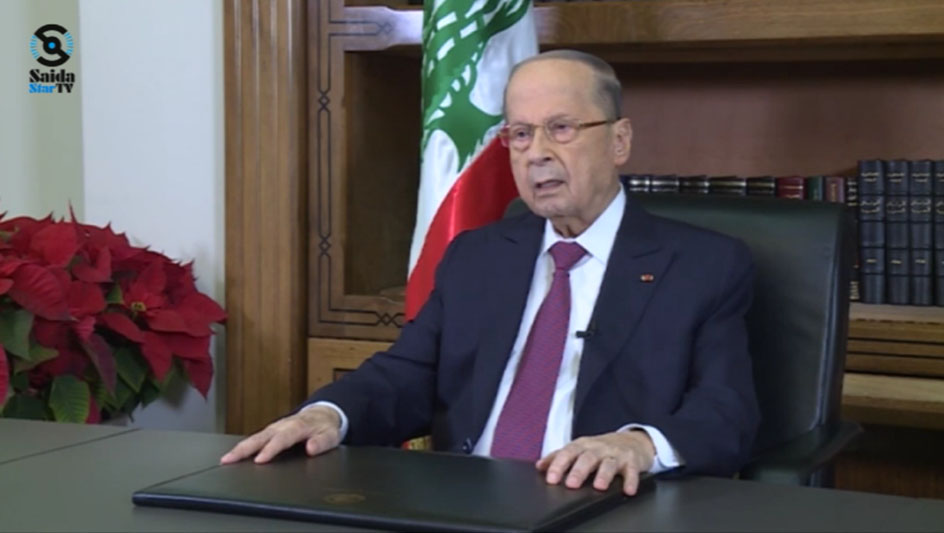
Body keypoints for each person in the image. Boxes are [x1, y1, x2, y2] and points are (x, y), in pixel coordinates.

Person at [222, 50, 760, 496]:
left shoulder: (702, 266)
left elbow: (726, 413)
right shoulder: (477, 257)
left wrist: (639, 445)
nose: (536, 154)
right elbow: (408, 373)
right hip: (464, 500)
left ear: (619, 140)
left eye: (561, 128)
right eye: (520, 134)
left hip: (597, 504)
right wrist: (328, 414)